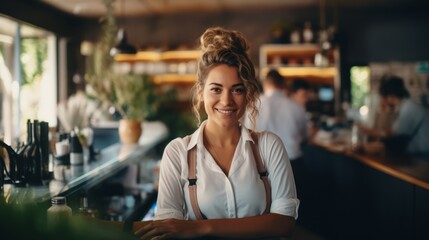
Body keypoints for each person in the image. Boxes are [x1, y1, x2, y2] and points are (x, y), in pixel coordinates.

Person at [134, 27, 299, 239]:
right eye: (216, 89)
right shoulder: (177, 153)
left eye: (237, 89)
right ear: (201, 91)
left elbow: (284, 222)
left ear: (247, 94)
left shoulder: (269, 145)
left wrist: (199, 228)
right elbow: (167, 230)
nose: (226, 101)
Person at [359, 75, 429, 156]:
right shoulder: (406, 106)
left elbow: (393, 134)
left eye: (384, 97)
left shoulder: (409, 109)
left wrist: (367, 132)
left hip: (423, 157)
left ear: (390, 96)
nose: (383, 101)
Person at [255, 72, 309, 163]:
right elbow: (304, 135)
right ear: (283, 85)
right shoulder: (297, 107)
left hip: (264, 160)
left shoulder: (253, 105)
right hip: (292, 158)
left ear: (265, 84)